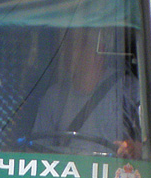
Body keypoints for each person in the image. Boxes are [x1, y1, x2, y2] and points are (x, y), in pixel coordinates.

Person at [32, 26, 139, 156]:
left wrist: (133, 148)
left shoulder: (128, 89)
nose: (69, 52)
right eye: (67, 45)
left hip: (111, 173)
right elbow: (37, 151)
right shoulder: (54, 96)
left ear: (100, 51)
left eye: (78, 45)